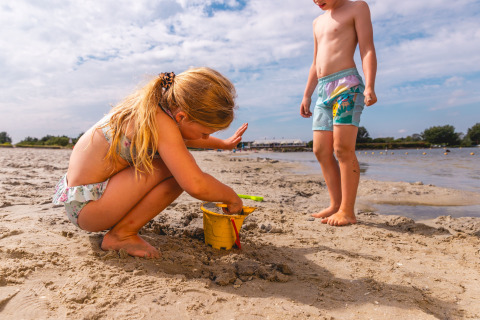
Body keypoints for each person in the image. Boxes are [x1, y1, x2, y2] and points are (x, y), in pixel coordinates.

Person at [53, 67, 248, 258]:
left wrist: (222, 144)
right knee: (177, 170)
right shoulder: (161, 122)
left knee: (175, 164)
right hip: (89, 210)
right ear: (181, 116)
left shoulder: (151, 108)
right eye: (205, 133)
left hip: (81, 202)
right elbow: (196, 184)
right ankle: (122, 235)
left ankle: (121, 231)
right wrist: (232, 198)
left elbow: (185, 136)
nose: (205, 138)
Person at [300, 0, 377, 226]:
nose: (316, 1)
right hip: (323, 90)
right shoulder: (317, 22)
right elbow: (316, 62)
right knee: (321, 150)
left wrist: (370, 85)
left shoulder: (357, 8)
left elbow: (367, 48)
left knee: (342, 149)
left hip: (347, 86)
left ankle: (348, 211)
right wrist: (307, 94)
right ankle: (336, 204)